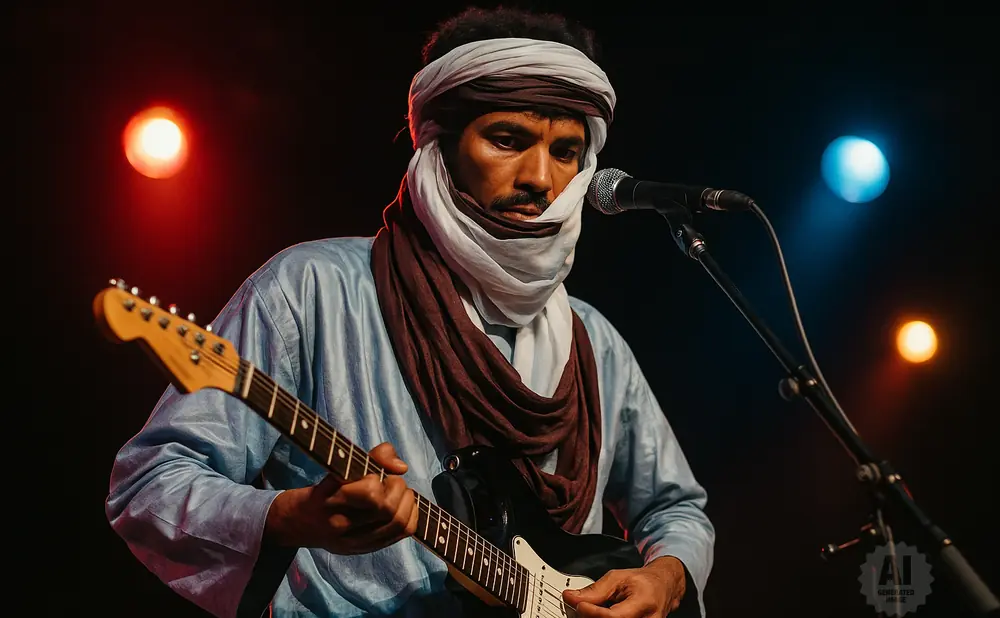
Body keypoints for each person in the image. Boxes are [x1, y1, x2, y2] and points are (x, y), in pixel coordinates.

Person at [105, 7, 715, 618]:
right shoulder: (312, 289)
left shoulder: (595, 345)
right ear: (438, 144)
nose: (540, 178)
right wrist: (290, 516)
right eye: (507, 139)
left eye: (566, 152)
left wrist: (667, 575)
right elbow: (151, 481)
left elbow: (676, 508)